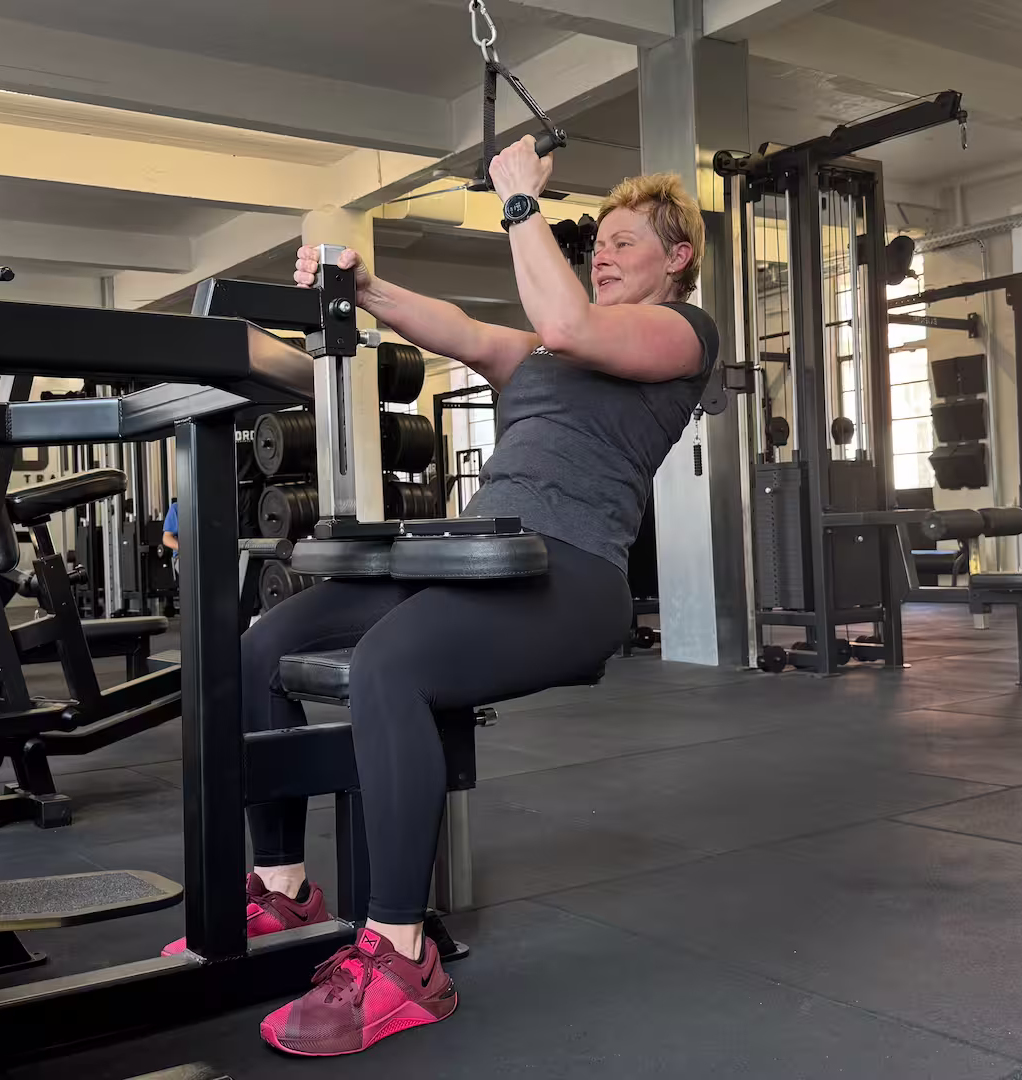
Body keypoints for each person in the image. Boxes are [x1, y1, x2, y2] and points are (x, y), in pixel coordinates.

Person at [169, 137, 721, 1057]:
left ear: (677, 258)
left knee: (392, 664)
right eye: (602, 243)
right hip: (476, 556)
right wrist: (363, 286)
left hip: (571, 575)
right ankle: (282, 887)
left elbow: (576, 323)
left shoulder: (683, 335)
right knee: (264, 642)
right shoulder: (541, 351)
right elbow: (463, 329)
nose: (607, 253)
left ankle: (397, 954)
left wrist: (517, 202)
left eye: (627, 241)